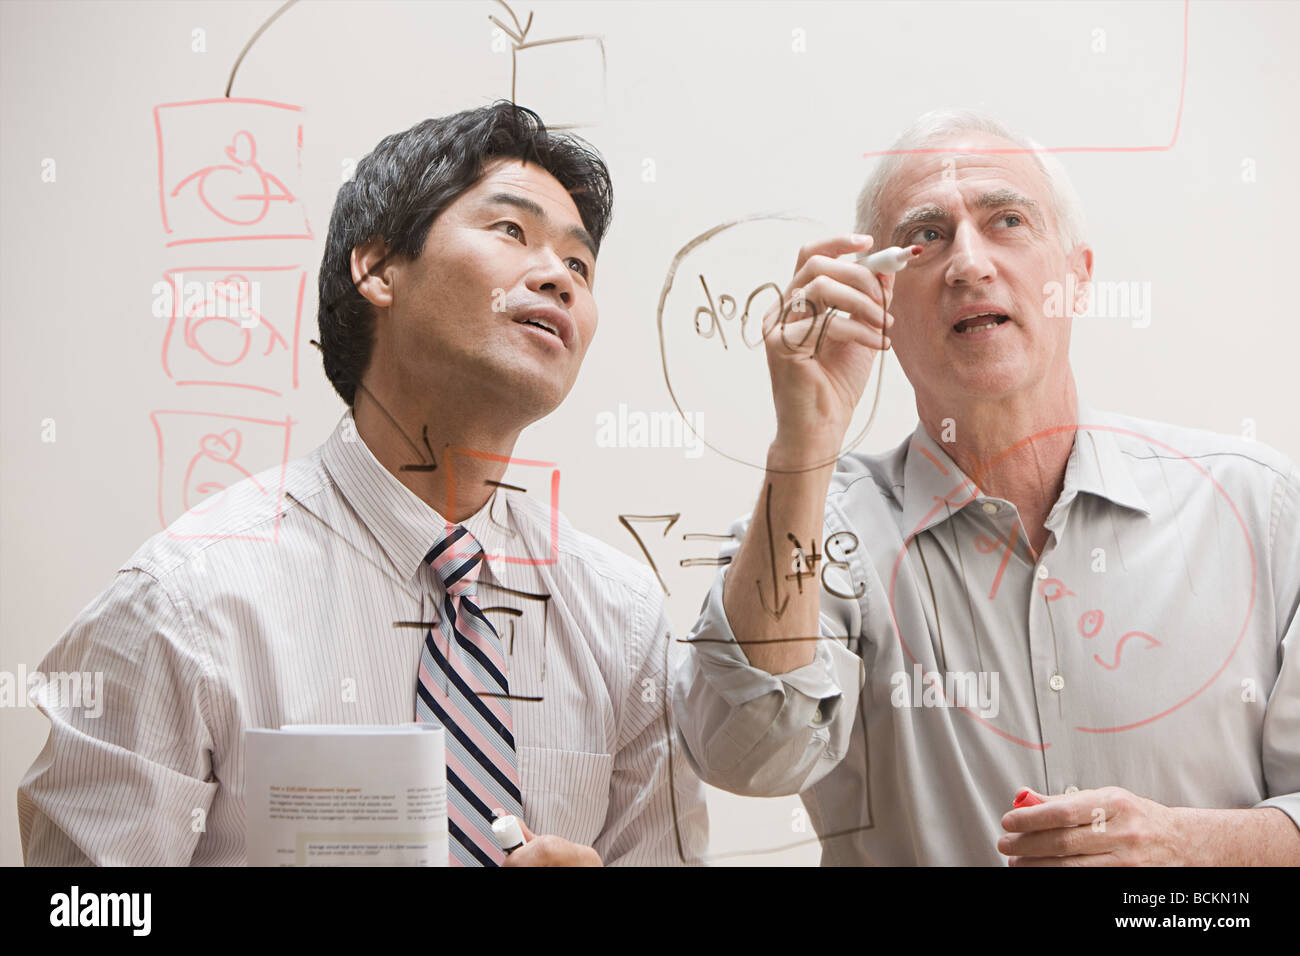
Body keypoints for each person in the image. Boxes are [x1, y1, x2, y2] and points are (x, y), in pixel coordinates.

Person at [19, 102, 707, 867]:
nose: (558, 278)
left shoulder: (622, 620)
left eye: (579, 265)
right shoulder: (185, 604)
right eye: (511, 232)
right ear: (378, 268)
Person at [673, 108, 1300, 866]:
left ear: (1078, 279)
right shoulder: (822, 525)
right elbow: (748, 754)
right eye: (926, 236)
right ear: (881, 302)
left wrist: (1189, 849)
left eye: (1006, 220)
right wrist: (803, 443)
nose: (969, 263)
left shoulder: (1257, 509)